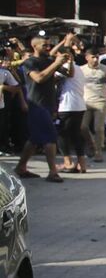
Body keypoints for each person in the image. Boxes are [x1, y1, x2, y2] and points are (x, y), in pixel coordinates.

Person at [15, 38, 68, 181]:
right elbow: (38, 78)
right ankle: (52, 172)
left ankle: (21, 167)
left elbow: (68, 73)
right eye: (44, 45)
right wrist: (56, 63)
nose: (48, 47)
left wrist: (67, 59)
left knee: (34, 139)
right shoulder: (30, 62)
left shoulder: (49, 60)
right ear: (34, 46)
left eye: (48, 44)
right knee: (50, 137)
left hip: (48, 104)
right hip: (37, 104)